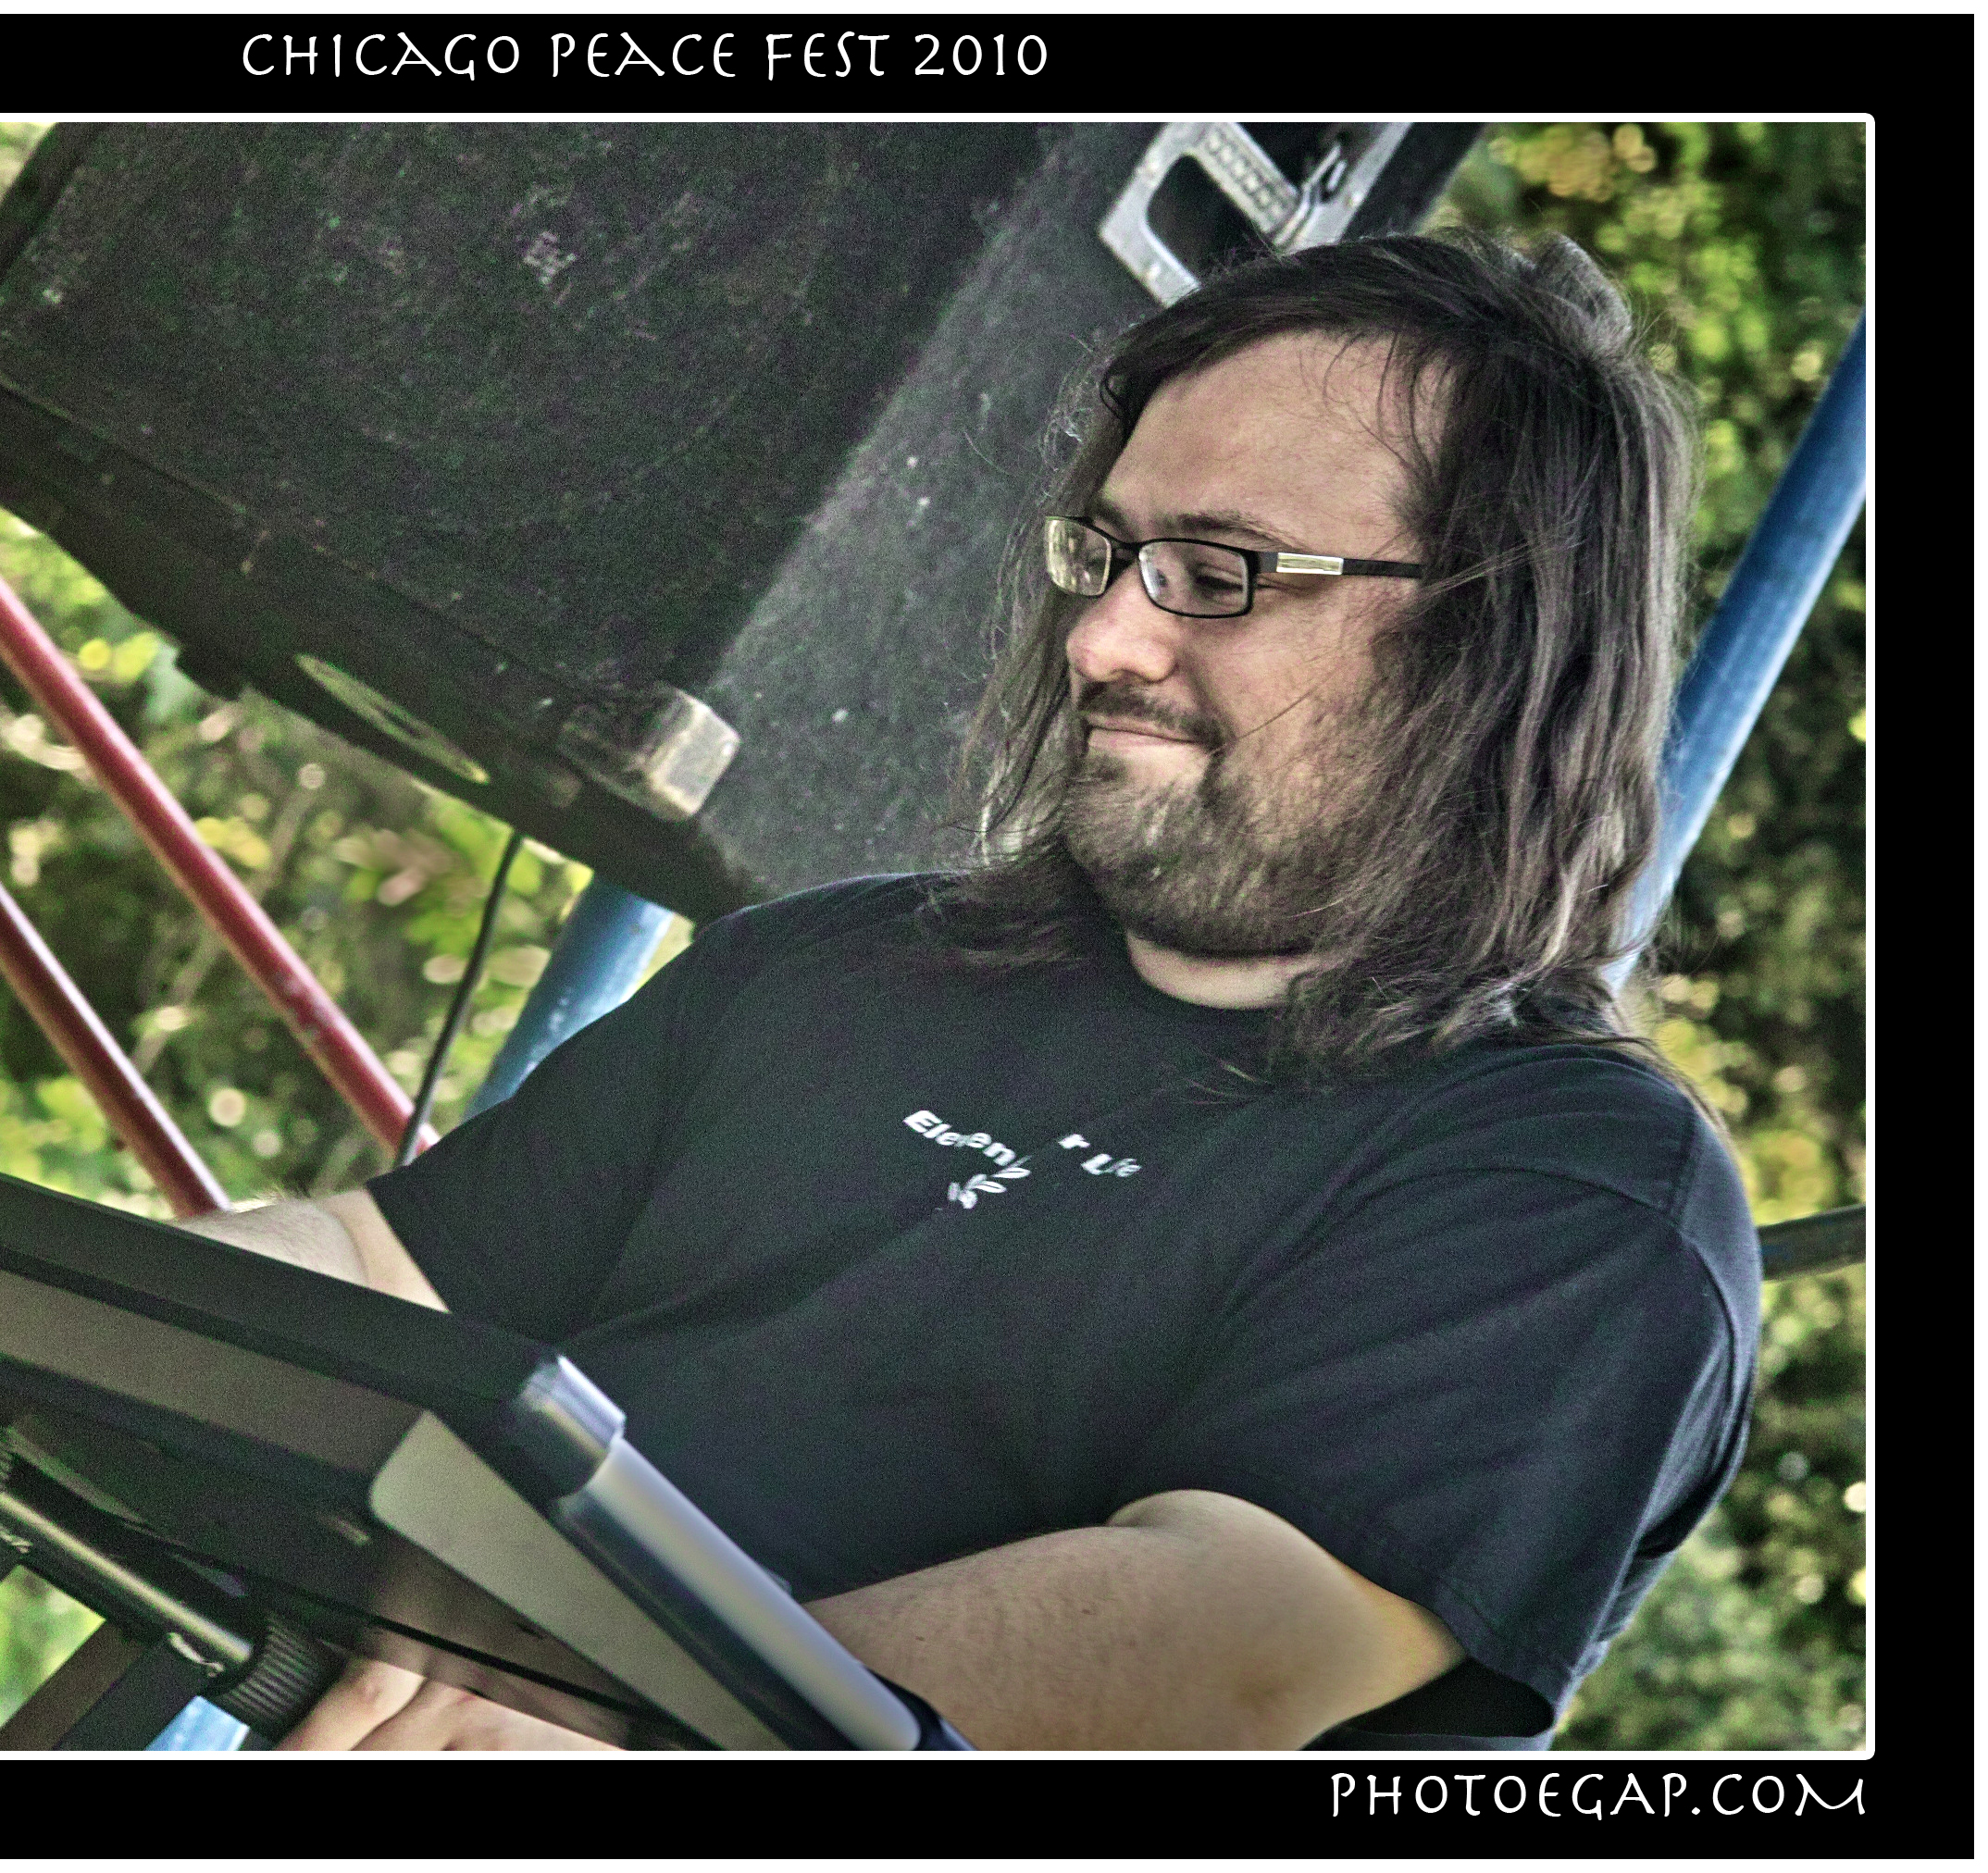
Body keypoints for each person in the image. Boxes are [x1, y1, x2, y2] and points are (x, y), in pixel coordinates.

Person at [182, 232, 1760, 1751]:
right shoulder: (829, 962)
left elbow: (1218, 1654)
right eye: (1107, 556)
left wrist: (618, 1680)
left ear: (1491, 644)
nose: (1104, 637)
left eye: (1215, 571)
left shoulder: (1581, 1188)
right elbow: (387, 1273)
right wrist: (75, 1299)